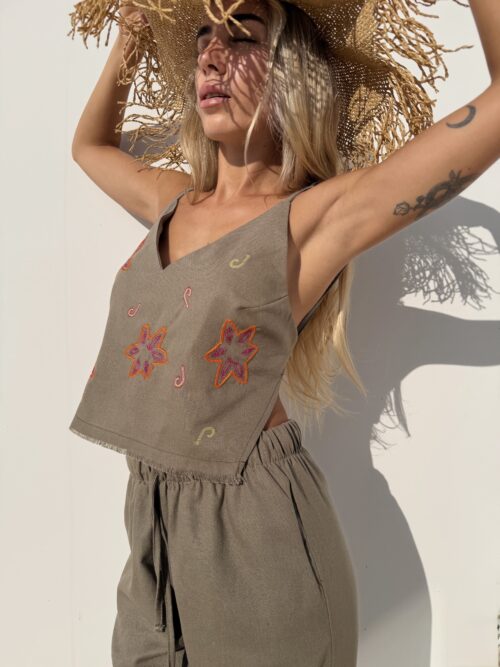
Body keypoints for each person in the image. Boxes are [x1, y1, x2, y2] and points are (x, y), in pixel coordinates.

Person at [67, 0, 499, 664]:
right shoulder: (172, 200)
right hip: (150, 534)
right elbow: (89, 147)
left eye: (242, 38)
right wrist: (132, 35)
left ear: (294, 72)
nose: (210, 56)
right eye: (202, 39)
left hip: (258, 538)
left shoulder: (311, 220)